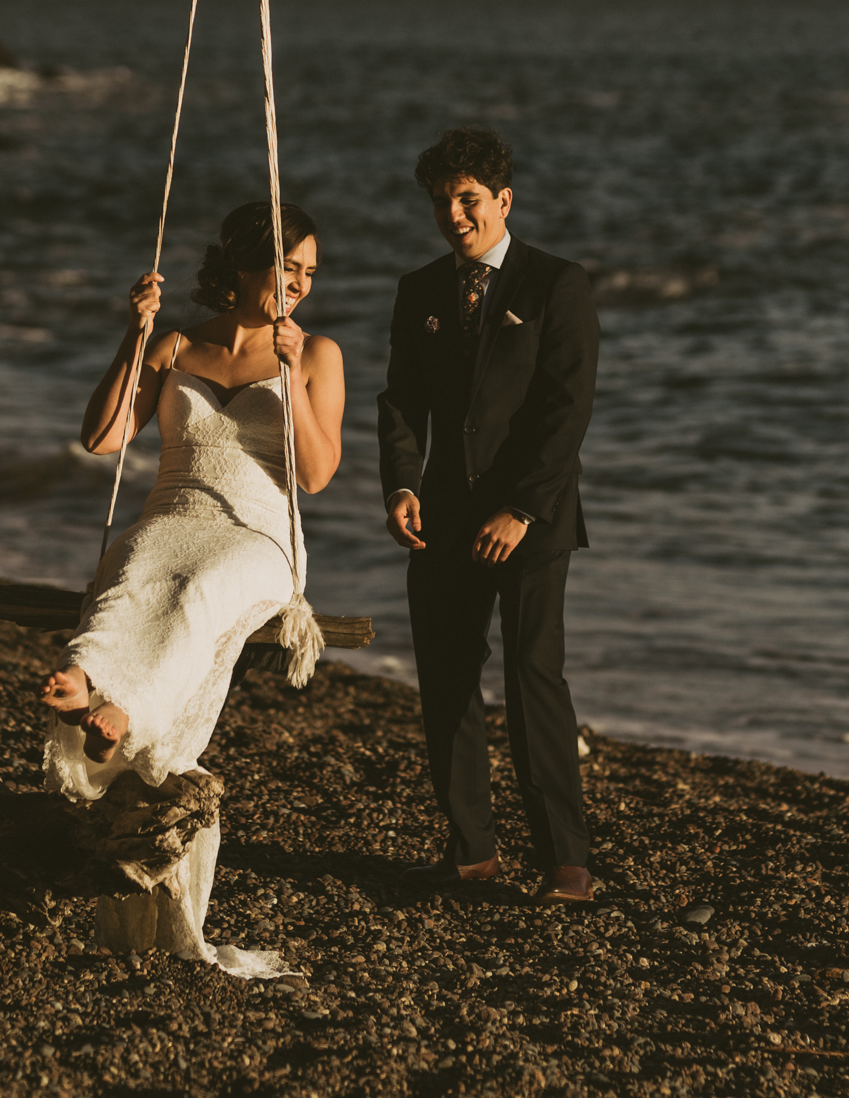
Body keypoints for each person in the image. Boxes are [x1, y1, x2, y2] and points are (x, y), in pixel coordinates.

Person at [41, 200, 344, 801]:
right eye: (288, 267)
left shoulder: (316, 354)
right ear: (243, 267)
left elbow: (316, 475)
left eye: (309, 272)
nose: (300, 284)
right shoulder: (176, 347)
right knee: (136, 565)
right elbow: (102, 439)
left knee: (200, 584)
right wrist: (136, 335)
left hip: (258, 533)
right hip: (173, 515)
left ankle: (128, 713)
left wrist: (290, 375)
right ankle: (83, 674)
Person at [377, 125, 599, 901]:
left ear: (504, 200)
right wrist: (401, 484)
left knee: (533, 675)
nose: (455, 217)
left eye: (468, 200)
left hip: (531, 521)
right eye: (442, 203)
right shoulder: (419, 291)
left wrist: (521, 511)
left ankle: (566, 861)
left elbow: (565, 412)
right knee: (444, 678)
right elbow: (402, 400)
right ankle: (470, 850)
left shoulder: (556, 285)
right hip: (440, 513)